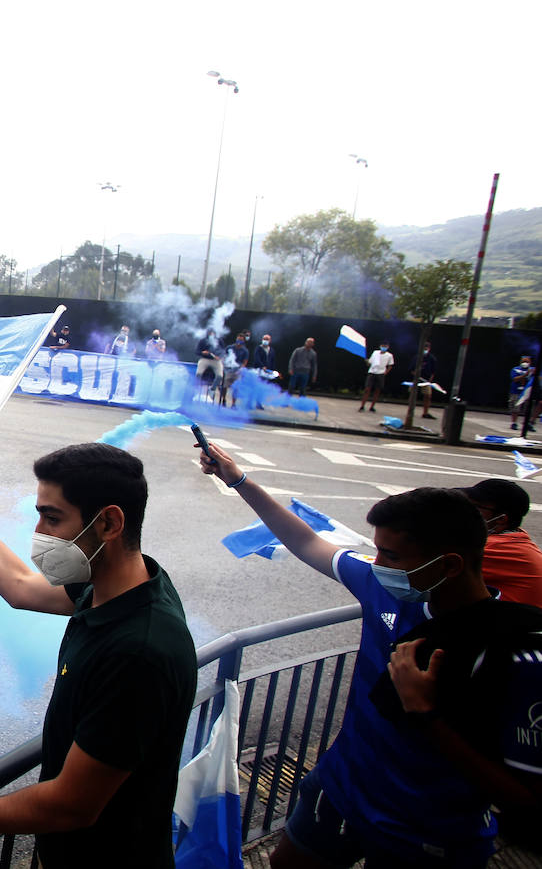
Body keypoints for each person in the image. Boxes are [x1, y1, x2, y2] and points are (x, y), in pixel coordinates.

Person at [198, 443, 542, 869]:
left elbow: (524, 799)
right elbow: (305, 540)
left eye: (392, 556)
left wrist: (424, 713)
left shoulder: (515, 652)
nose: (376, 564)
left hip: (430, 833)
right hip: (340, 789)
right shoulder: (381, 585)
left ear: (450, 564)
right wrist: (237, 480)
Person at [0, 444, 196, 866]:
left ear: (108, 522)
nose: (40, 532)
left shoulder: (138, 652)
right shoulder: (112, 584)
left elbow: (71, 805)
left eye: (52, 517)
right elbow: (19, 586)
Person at [459, 478, 542, 607]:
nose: (464, 510)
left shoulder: (495, 549)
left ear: (501, 519)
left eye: (474, 507)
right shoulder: (514, 539)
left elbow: (429, 566)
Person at [359, 339, 394, 412]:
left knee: (377, 390)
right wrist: (367, 361)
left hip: (381, 373)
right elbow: (370, 363)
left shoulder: (389, 355)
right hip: (372, 372)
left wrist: (385, 372)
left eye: (385, 346)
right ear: (380, 346)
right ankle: (362, 406)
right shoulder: (375, 353)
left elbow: (390, 365)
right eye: (382, 346)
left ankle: (372, 406)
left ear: (388, 347)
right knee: (367, 389)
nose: (383, 347)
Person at [220, 332, 248, 407]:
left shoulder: (245, 351)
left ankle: (233, 403)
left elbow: (245, 362)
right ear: (236, 339)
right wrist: (224, 364)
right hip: (228, 370)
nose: (239, 341)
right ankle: (224, 400)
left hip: (237, 371)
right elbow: (224, 357)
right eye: (238, 339)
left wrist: (241, 369)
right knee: (224, 386)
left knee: (236, 388)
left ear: (243, 341)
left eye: (241, 340)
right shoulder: (229, 348)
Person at [195, 328, 223, 400]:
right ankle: (197, 389)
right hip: (205, 359)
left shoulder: (219, 341)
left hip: (216, 361)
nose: (211, 335)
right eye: (210, 333)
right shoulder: (203, 341)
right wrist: (202, 352)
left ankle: (212, 389)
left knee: (219, 376)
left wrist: (219, 357)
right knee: (199, 374)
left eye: (212, 333)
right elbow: (197, 351)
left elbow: (223, 351)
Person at [510, 356, 533, 430]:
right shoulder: (516, 369)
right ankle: (514, 423)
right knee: (515, 408)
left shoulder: (533, 370)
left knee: (528, 408)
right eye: (523, 361)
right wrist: (525, 375)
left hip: (528, 392)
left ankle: (527, 423)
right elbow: (515, 379)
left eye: (527, 361)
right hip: (516, 391)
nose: (525, 363)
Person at [417, 342, 439, 419]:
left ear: (429, 349)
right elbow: (411, 369)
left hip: (426, 380)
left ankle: (425, 412)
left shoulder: (432, 358)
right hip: (417, 378)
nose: (425, 350)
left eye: (426, 349)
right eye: (424, 348)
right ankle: (410, 410)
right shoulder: (417, 357)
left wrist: (429, 380)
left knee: (428, 395)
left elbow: (433, 371)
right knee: (412, 394)